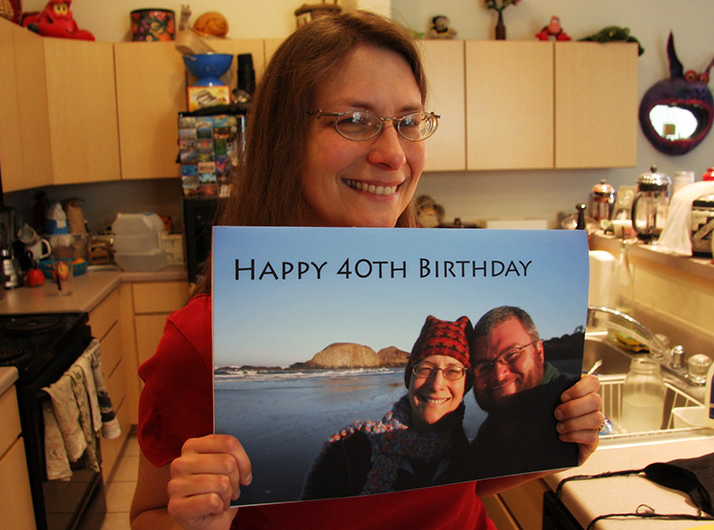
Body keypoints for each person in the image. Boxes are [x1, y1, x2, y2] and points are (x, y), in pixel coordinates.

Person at [130, 10, 603, 530]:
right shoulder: (200, 340)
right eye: (354, 120)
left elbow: (449, 486)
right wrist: (196, 522)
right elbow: (148, 516)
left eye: (407, 122)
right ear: (286, 138)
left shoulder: (447, 327)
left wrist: (554, 443)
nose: (393, 154)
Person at [302, 315, 475, 499]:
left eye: (453, 371)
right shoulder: (348, 452)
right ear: (410, 378)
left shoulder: (473, 462)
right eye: (425, 369)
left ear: (466, 384)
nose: (436, 384)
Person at [469, 305, 583, 480]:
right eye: (484, 366)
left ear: (539, 351)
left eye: (512, 354)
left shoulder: (567, 404)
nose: (499, 375)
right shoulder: (492, 431)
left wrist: (598, 427)